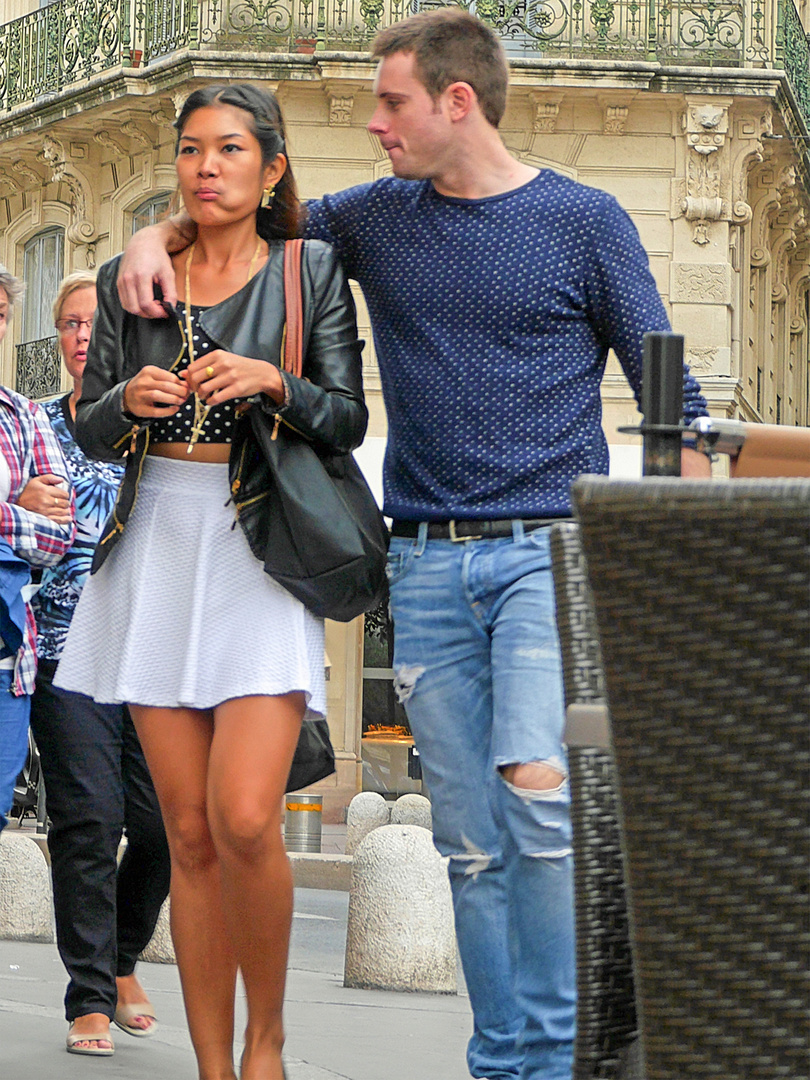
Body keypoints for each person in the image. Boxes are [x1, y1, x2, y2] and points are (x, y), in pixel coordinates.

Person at [116, 14, 712, 1079]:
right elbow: (244, 212)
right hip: (425, 560)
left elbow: (663, 370)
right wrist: (142, 239)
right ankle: (507, 1063)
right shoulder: (373, 221)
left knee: (537, 803)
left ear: (456, 102)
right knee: (470, 844)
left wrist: (675, 531)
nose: (375, 123)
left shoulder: (587, 220)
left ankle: (569, 1055)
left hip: (552, 546)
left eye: (391, 103)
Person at [55, 84, 365, 1080]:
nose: (208, 166)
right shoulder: (127, 278)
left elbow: (348, 419)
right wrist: (127, 403)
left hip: (258, 546)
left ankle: (266, 1043)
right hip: (155, 545)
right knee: (183, 831)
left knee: (241, 816)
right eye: (191, 150)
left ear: (271, 166)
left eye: (230, 149)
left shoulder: (309, 267)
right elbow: (85, 423)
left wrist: (276, 382)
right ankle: (214, 1067)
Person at [30, 271, 171, 1058]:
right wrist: (20, 502)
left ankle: (121, 958)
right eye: (69, 324)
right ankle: (89, 992)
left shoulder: (157, 425)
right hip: (65, 650)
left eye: (96, 322)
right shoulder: (32, 425)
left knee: (162, 827)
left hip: (151, 652)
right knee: (90, 820)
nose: (83, 335)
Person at [0, 266, 74, 833]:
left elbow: (55, 537)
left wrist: (20, 509)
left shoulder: (25, 416)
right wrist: (15, 502)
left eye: (1, 314)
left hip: (8, 662)